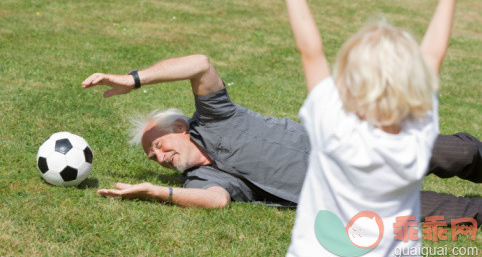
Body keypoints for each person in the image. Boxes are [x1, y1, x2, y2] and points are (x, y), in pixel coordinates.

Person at [81, 55, 482, 220]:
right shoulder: (201, 180)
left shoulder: (216, 116)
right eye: (152, 158)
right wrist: (156, 191)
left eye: (158, 145)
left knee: (464, 152)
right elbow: (217, 201)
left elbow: (200, 65)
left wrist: (133, 80)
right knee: (459, 216)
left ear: (181, 129)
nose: (159, 157)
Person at [275, 0, 474, 257]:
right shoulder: (418, 135)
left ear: (349, 87)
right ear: (416, 86)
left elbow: (310, 51)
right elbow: (433, 54)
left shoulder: (333, 128)